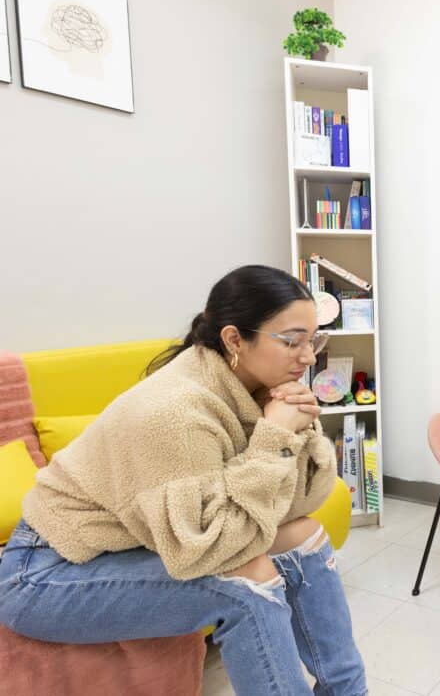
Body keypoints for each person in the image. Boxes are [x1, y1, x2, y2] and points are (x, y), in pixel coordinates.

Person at [0, 265, 367, 696]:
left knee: (303, 536)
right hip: (43, 575)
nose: (307, 357)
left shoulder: (254, 388)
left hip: (131, 549)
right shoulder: (175, 412)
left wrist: (298, 432)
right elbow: (204, 548)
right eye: (292, 341)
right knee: (246, 583)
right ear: (234, 339)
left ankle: (348, 691)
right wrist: (275, 440)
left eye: (313, 340)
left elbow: (299, 504)